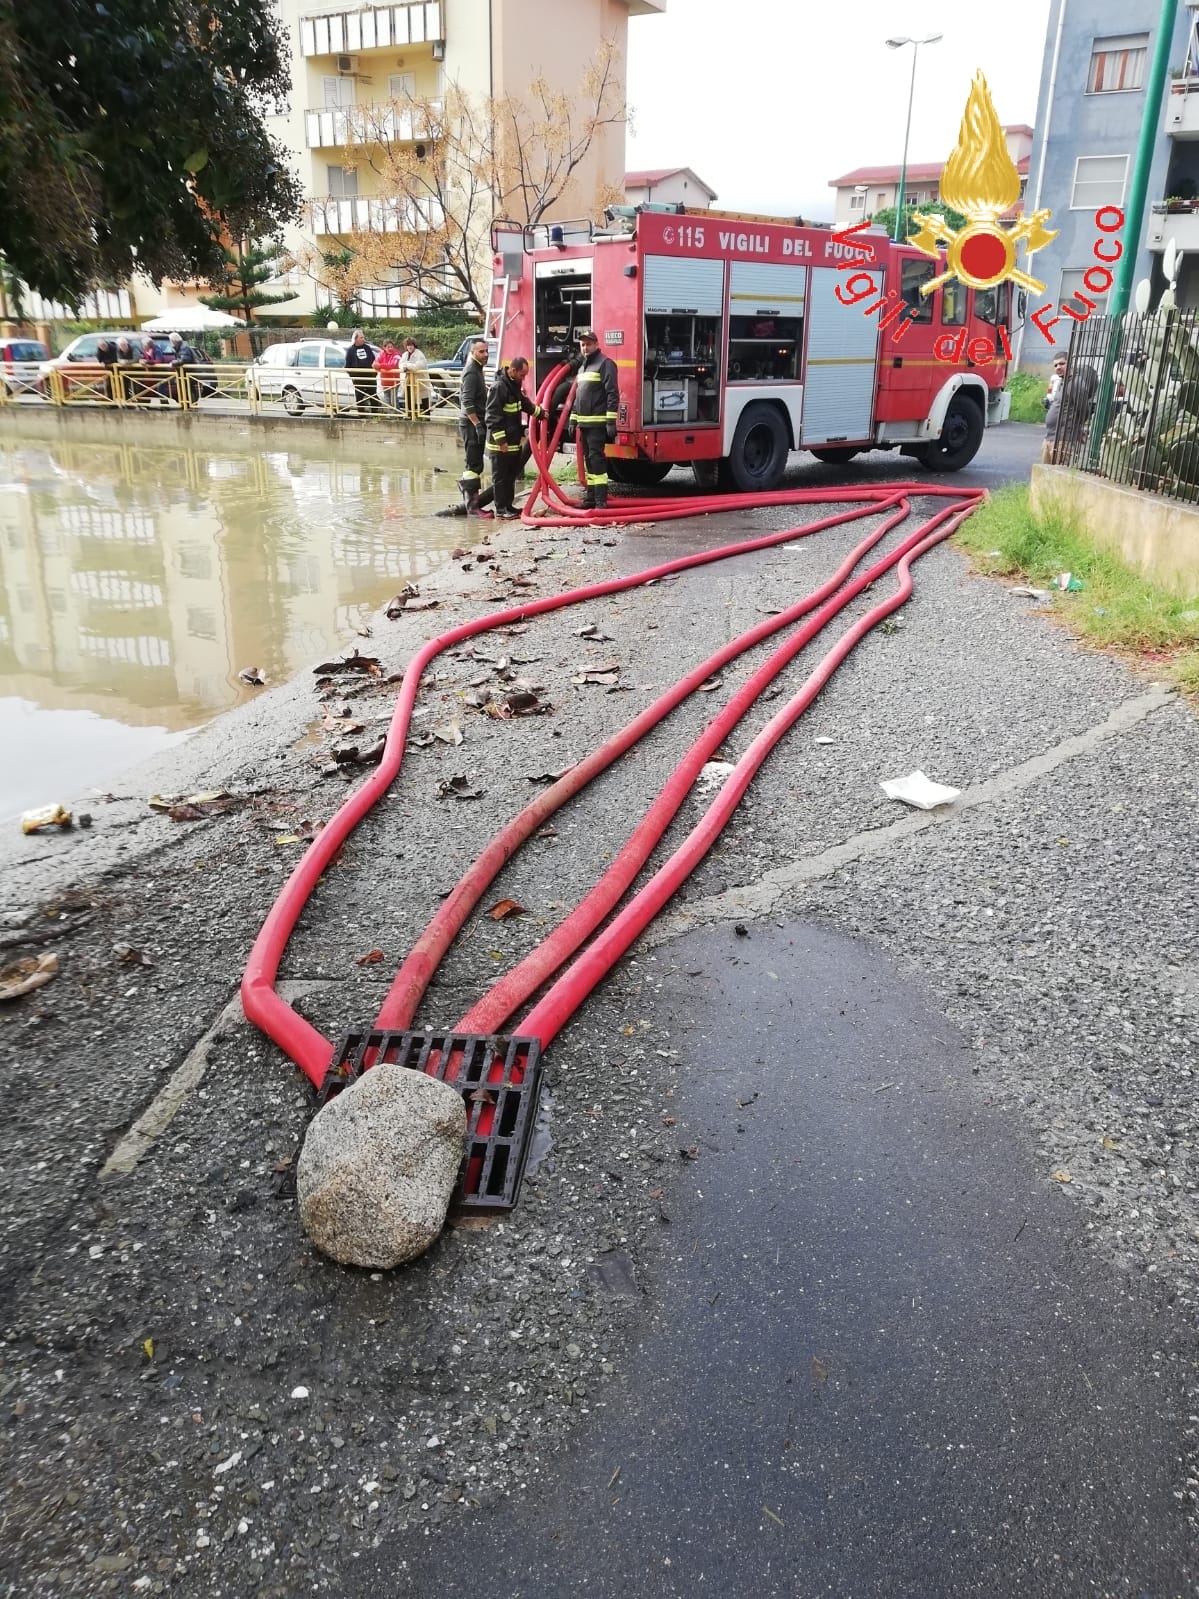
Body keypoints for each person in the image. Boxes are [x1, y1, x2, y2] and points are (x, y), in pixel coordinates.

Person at [485, 355, 544, 519]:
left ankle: (509, 506)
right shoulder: (499, 388)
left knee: (510, 476)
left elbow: (523, 403)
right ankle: (501, 509)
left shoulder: (513, 385)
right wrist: (501, 441)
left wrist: (540, 413)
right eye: (522, 375)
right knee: (500, 478)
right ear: (512, 370)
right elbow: (492, 417)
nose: (523, 378)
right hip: (501, 445)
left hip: (513, 442)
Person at [570, 328, 619, 512]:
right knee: (588, 461)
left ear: (596, 344)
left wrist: (610, 421)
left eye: (588, 344)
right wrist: (573, 419)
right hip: (585, 424)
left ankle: (601, 500)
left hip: (598, 424)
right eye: (582, 345)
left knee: (596, 459)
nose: (585, 348)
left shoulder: (605, 364)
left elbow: (612, 393)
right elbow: (578, 396)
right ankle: (591, 498)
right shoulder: (583, 367)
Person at [1043, 353, 1097, 465]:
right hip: (1050, 436)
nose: (1058, 367)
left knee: (1057, 473)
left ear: (1070, 363)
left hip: (1062, 439)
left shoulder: (1075, 383)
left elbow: (1084, 410)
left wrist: (1076, 428)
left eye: (1062, 363)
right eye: (1056, 365)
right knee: (1046, 474)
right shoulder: (1063, 382)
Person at [458, 338, 490, 513]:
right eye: (481, 351)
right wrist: (477, 424)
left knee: (476, 463)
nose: (485, 355)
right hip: (471, 424)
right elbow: (467, 401)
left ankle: (471, 502)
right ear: (472, 353)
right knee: (473, 465)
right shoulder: (471, 372)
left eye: (486, 351)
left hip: (475, 422)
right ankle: (472, 509)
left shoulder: (477, 370)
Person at [344, 330, 381, 414]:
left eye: (363, 337)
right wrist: (354, 376)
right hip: (358, 378)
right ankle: (361, 414)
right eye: (361, 337)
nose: (363, 339)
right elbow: (347, 366)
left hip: (370, 377)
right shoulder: (350, 350)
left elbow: (373, 360)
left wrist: (374, 373)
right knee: (359, 396)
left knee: (373, 395)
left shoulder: (367, 348)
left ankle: (375, 412)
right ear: (356, 339)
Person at [398, 336, 433, 416]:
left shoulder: (419, 354)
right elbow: (400, 364)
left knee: (424, 398)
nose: (409, 347)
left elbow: (417, 366)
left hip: (420, 380)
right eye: (408, 345)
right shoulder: (405, 354)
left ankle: (426, 416)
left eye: (411, 345)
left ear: (414, 345)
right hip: (408, 380)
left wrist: (407, 366)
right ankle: (411, 415)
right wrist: (405, 367)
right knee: (409, 397)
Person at [166, 331, 199, 406]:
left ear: (174, 340)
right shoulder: (180, 346)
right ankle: (187, 404)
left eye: (171, 341)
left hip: (187, 372)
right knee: (187, 388)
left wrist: (173, 363)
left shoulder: (184, 347)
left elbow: (184, 359)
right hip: (185, 372)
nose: (170, 342)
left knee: (188, 388)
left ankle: (190, 405)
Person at [374, 337, 402, 411]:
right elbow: (374, 364)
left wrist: (380, 366)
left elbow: (392, 365)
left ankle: (399, 415)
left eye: (391, 346)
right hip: (385, 381)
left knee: (394, 400)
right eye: (388, 347)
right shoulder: (381, 353)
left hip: (394, 381)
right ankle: (391, 415)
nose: (390, 348)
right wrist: (377, 366)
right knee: (387, 400)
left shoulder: (397, 354)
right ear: (384, 347)